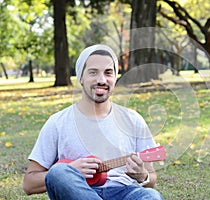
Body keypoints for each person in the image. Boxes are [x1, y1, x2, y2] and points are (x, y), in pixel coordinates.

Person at [23, 44, 164, 200]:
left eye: (108, 73)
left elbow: (151, 178)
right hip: (77, 193)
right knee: (58, 172)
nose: (101, 80)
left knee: (151, 195)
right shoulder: (57, 122)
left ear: (115, 78)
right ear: (81, 77)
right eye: (93, 72)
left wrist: (143, 176)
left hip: (124, 192)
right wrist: (71, 170)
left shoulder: (133, 120)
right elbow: (29, 184)